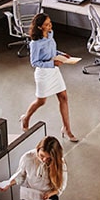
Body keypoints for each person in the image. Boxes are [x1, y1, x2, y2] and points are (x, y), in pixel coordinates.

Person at [20, 13, 78, 142]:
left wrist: (62, 55)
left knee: (64, 98)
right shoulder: (35, 43)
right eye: (47, 24)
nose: (50, 25)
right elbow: (34, 62)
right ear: (40, 27)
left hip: (54, 71)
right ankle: (26, 118)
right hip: (43, 73)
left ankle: (66, 129)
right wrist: (52, 63)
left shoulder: (50, 34)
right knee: (41, 101)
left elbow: (53, 51)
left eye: (50, 22)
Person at [0, 136, 67, 200]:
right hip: (30, 199)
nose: (44, 160)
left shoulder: (60, 163)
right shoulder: (28, 157)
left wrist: (50, 193)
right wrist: (9, 184)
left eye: (49, 158)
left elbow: (61, 186)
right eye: (42, 156)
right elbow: (21, 175)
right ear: (38, 149)